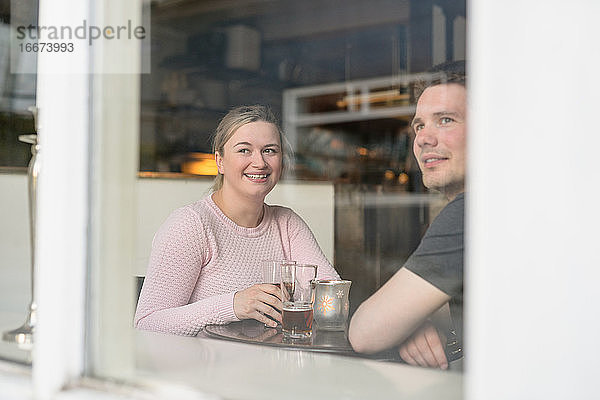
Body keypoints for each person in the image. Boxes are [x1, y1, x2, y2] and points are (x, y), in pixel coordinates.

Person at [135, 105, 340, 335]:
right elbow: (147, 324)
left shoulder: (287, 223)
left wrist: (315, 304)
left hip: (272, 367)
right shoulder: (190, 225)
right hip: (205, 369)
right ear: (219, 161)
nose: (259, 163)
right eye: (244, 150)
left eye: (270, 151)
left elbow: (331, 298)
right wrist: (233, 305)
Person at [348, 64, 466, 370]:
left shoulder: (471, 213)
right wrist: (411, 321)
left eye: (445, 120)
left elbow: (364, 332)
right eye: (419, 126)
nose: (424, 138)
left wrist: (397, 321)